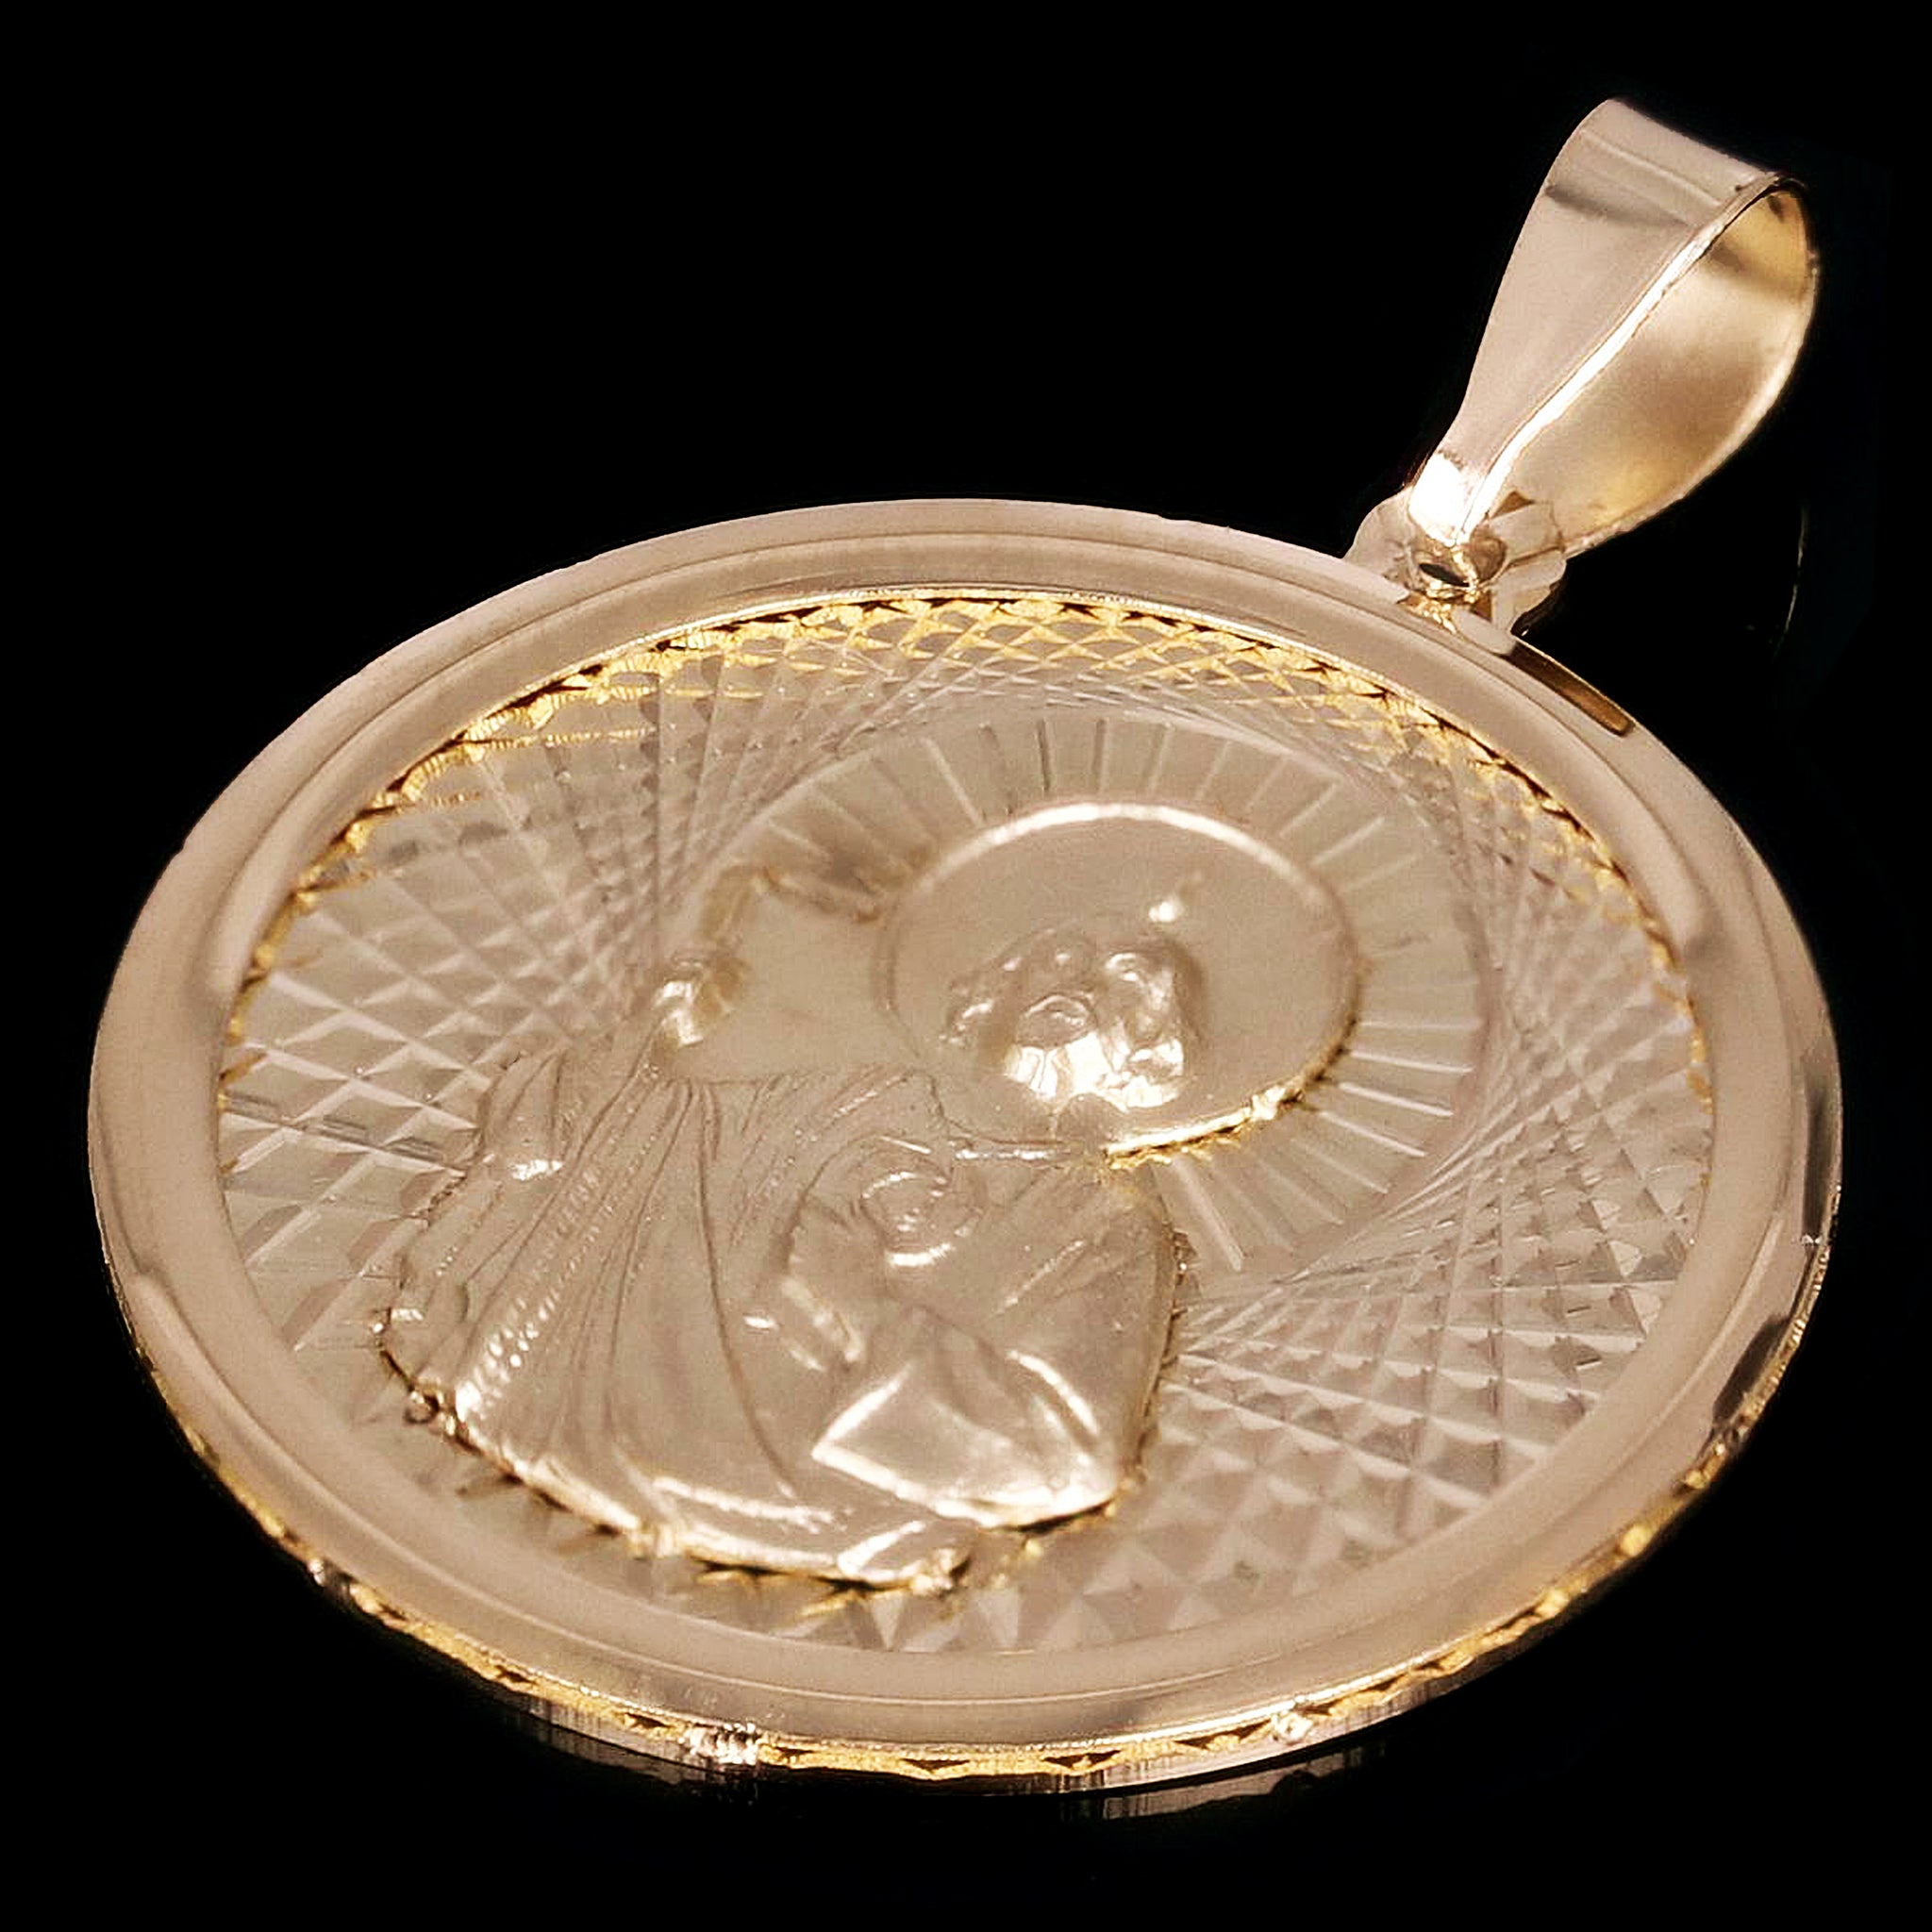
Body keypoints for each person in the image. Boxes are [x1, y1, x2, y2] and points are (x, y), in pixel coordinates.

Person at [384, 900, 1187, 1590]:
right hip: (581, 1415)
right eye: (1062, 957)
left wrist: (860, 1311)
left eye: (1128, 987)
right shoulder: (855, 1098)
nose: (1083, 985)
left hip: (804, 1508)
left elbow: (1072, 1456)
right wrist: (646, 1031)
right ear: (985, 994)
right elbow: (653, 1141)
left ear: (1149, 1061)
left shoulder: (1106, 1223)